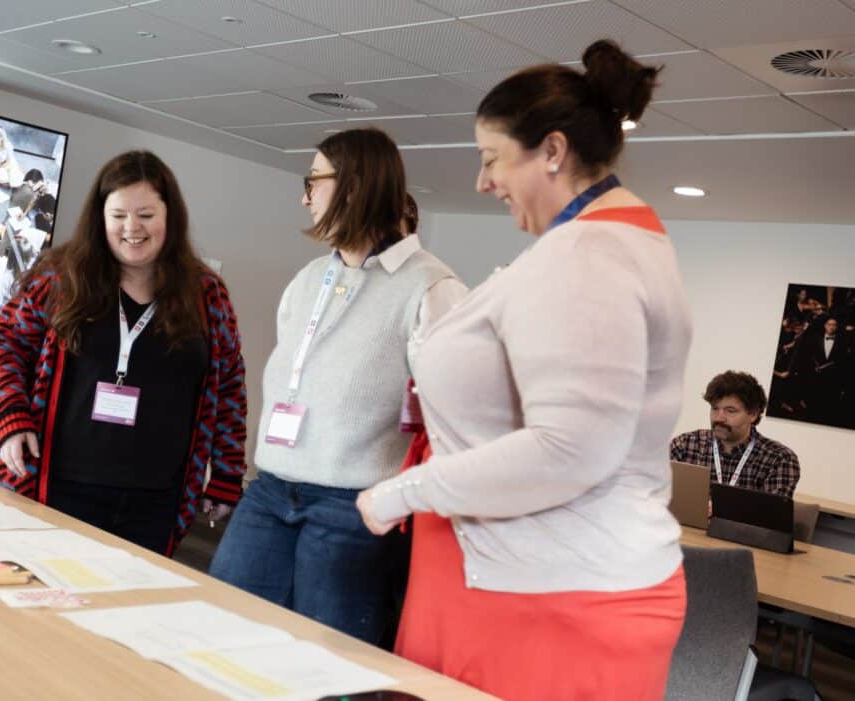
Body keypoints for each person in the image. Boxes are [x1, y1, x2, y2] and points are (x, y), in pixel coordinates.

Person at [355, 40, 690, 699]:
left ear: (553, 151)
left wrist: (401, 493)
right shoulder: (615, 240)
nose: (483, 182)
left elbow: (570, 449)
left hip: (547, 594)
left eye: (491, 158)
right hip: (528, 577)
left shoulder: (587, 254)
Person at [208, 127, 465, 644]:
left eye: (313, 181)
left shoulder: (432, 287)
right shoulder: (308, 278)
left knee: (330, 659)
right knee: (223, 629)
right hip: (271, 488)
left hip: (351, 505)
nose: (304, 197)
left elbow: (455, 417)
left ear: (353, 186)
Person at [0, 150, 247, 555]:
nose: (132, 228)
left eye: (146, 215)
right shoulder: (61, 277)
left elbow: (228, 386)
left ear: (170, 216)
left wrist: (227, 472)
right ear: (100, 217)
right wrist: (10, 418)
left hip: (157, 500)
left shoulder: (206, 293)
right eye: (119, 215)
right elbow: (5, 343)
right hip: (56, 487)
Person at [673, 371, 801, 498]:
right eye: (715, 408)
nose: (719, 418)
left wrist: (718, 507)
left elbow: (771, 510)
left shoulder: (779, 459)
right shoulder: (685, 444)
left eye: (730, 411)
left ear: (753, 414)